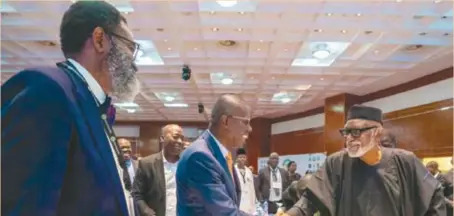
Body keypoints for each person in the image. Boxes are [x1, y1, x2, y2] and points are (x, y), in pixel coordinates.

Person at [1, 1, 140, 215]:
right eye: (130, 48)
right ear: (100, 39)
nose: (134, 63)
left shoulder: (92, 105)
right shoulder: (48, 90)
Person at [281, 104, 446, 216]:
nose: (350, 138)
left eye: (356, 132)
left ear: (377, 133)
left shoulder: (404, 161)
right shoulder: (336, 163)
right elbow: (311, 199)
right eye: (346, 132)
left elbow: (433, 196)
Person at [176, 94, 253, 216]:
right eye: (246, 122)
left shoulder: (219, 153)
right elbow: (224, 213)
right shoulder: (200, 157)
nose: (250, 128)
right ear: (226, 121)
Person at [132, 124, 184, 216]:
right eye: (175, 137)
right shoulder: (147, 164)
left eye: (182, 138)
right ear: (162, 139)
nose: (180, 141)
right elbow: (137, 194)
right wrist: (146, 211)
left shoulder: (187, 164)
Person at [235, 148, 257, 214]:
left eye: (244, 157)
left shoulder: (249, 171)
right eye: (240, 157)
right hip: (238, 202)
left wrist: (254, 205)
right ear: (236, 159)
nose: (242, 159)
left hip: (249, 203)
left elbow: (252, 189)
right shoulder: (233, 170)